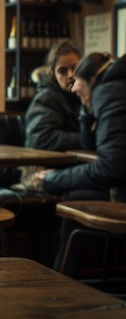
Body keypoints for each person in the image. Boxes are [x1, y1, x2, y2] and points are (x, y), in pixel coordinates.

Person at [33, 52, 126, 277]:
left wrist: (53, 179)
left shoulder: (110, 91)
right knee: (78, 192)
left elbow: (110, 168)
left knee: (76, 198)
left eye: (77, 81)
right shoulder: (112, 88)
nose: (72, 88)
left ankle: (61, 283)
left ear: (93, 79)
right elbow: (90, 146)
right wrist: (86, 109)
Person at [19, 41, 81, 190]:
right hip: (43, 173)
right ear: (52, 73)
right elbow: (41, 139)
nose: (71, 75)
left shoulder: (81, 95)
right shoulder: (47, 97)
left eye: (75, 67)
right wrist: (87, 138)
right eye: (62, 71)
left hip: (67, 168)